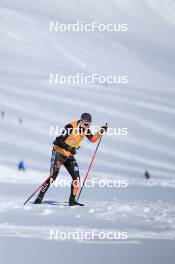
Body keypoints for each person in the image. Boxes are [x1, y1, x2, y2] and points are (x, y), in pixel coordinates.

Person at [34, 113, 108, 206]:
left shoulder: (85, 130)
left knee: (76, 177)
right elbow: (58, 140)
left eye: (88, 125)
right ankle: (39, 198)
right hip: (58, 153)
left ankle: (72, 201)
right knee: (53, 176)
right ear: (81, 121)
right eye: (85, 124)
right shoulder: (70, 127)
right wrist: (69, 148)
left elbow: (92, 139)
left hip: (68, 155)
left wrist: (101, 131)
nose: (86, 127)